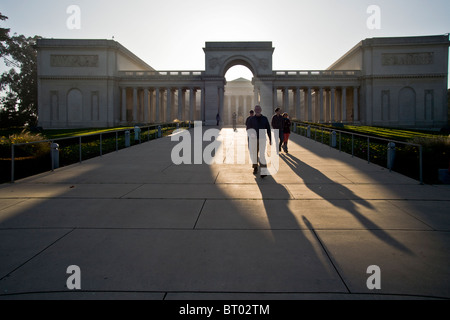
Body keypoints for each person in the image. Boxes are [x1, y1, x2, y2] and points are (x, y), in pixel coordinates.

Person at [247, 105, 272, 178]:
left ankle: (264, 171)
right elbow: (248, 128)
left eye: (258, 109)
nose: (257, 110)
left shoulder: (264, 118)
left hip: (262, 139)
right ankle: (255, 167)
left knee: (262, 155)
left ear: (261, 110)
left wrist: (270, 138)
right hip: (254, 139)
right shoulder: (251, 119)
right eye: (256, 109)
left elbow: (268, 129)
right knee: (254, 154)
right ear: (254, 110)